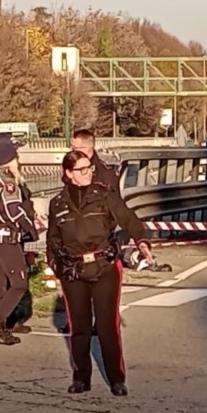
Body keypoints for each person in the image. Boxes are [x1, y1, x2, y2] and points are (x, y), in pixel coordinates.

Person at [46, 149, 153, 396]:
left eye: (90, 168)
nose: (88, 173)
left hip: (104, 266)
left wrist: (141, 241)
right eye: (82, 169)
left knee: (107, 326)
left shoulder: (104, 195)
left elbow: (129, 219)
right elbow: (52, 239)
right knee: (79, 327)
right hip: (74, 270)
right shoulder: (57, 203)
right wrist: (56, 267)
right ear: (68, 173)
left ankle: (116, 378)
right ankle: (81, 377)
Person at [0, 133, 39, 346]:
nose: (18, 159)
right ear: (8, 157)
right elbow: (14, 211)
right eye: (16, 155)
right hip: (6, 237)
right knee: (19, 283)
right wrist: (31, 228)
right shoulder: (7, 179)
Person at [69, 129, 121, 193]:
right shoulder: (71, 167)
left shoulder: (105, 173)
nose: (71, 151)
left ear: (88, 148)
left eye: (74, 148)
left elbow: (113, 196)